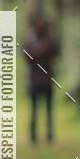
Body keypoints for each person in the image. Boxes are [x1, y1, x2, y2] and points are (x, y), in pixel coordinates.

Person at [23, 15, 59, 144]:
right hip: (34, 80)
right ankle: (33, 137)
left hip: (47, 80)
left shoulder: (50, 39)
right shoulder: (30, 39)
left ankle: (50, 136)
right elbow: (27, 55)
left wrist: (44, 48)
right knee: (34, 110)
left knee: (49, 110)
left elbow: (56, 51)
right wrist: (39, 49)